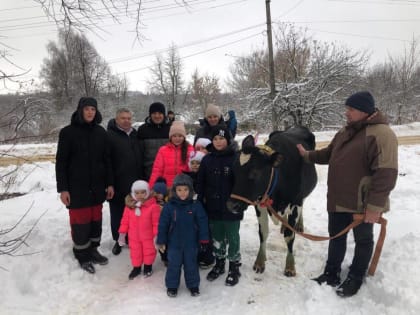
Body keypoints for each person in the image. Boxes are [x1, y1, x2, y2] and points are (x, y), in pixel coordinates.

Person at [296, 91, 398, 297]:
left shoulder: (381, 134)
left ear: (363, 111)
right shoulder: (346, 131)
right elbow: (328, 153)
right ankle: (331, 273)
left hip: (362, 204)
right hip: (338, 199)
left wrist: (374, 208)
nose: (346, 113)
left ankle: (355, 277)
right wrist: (307, 155)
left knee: (363, 241)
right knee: (336, 237)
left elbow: (386, 174)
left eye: (350, 109)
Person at [56, 97, 114, 274]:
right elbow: (61, 162)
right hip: (77, 188)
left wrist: (110, 183)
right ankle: (82, 255)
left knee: (95, 220)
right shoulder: (68, 132)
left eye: (93, 109)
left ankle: (93, 249)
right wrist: (63, 188)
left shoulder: (100, 132)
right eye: (87, 109)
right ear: (80, 110)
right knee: (80, 222)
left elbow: (107, 160)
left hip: (97, 186)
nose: (90, 112)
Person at [196, 125, 243, 286]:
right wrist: (199, 200)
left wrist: (241, 203)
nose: (218, 141)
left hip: (232, 208)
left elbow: (242, 184)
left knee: (232, 237)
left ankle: (234, 266)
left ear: (228, 140)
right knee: (217, 237)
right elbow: (200, 183)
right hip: (213, 206)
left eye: (222, 138)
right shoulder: (207, 159)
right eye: (215, 139)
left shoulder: (236, 158)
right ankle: (220, 263)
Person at [156, 174, 209, 297]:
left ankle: (193, 285)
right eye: (179, 190)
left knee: (191, 265)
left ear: (190, 190)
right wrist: (161, 240)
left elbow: (202, 222)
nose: (182, 193)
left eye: (185, 189)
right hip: (174, 243)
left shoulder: (196, 205)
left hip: (191, 243)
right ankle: (172, 286)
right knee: (173, 265)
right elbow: (163, 224)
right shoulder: (169, 207)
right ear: (174, 190)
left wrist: (204, 240)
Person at [107, 108, 144, 256]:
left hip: (135, 182)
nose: (126, 121)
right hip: (117, 181)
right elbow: (106, 161)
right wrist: (109, 183)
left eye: (129, 118)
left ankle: (132, 237)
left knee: (135, 212)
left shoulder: (135, 135)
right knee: (118, 214)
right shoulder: (109, 136)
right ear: (116, 120)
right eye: (123, 118)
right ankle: (118, 240)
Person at [118, 180, 161, 280]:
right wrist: (122, 234)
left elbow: (156, 223)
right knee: (135, 252)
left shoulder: (153, 207)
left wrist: (157, 236)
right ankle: (136, 268)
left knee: (149, 251)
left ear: (147, 192)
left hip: (148, 236)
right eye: (137, 193)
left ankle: (148, 266)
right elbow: (124, 221)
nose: (140, 195)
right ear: (133, 193)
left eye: (143, 192)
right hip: (134, 237)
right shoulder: (129, 207)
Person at [148, 121, 194, 188]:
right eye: (174, 136)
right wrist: (151, 187)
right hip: (167, 187)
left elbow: (193, 170)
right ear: (170, 137)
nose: (177, 138)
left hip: (184, 188)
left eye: (180, 136)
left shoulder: (190, 149)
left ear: (184, 137)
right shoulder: (163, 150)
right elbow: (157, 170)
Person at [137, 102, 171, 180]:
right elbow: (139, 154)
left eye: (160, 113)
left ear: (164, 115)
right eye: (154, 113)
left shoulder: (171, 128)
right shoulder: (143, 129)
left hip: (168, 172)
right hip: (149, 173)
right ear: (150, 114)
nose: (157, 116)